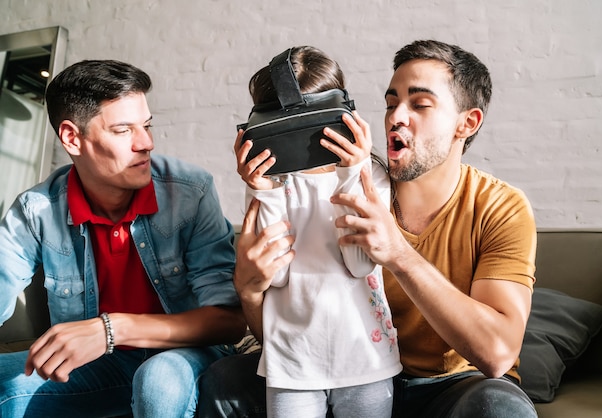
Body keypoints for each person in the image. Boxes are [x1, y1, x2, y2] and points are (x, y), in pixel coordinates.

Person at [200, 39, 538, 418]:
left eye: (419, 104)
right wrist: (248, 290)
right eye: (391, 103)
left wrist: (398, 254)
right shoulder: (343, 187)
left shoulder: (499, 206)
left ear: (467, 122)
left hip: (449, 387)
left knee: (497, 406)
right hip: (339, 368)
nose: (396, 117)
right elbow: (289, 337)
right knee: (223, 380)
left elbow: (496, 355)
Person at [0, 60, 247, 418]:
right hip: (97, 367)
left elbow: (229, 322)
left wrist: (111, 329)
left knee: (158, 380)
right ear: (72, 137)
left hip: (184, 356)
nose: (146, 143)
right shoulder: (37, 210)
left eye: (146, 126)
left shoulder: (191, 192)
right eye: (123, 130)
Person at [234, 46, 401, 418]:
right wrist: (265, 192)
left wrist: (350, 173)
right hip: (292, 360)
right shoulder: (272, 183)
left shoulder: (370, 178)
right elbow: (274, 276)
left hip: (365, 354)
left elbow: (360, 265)